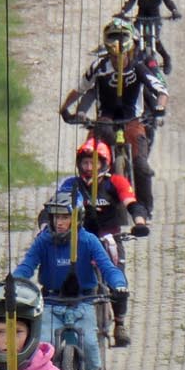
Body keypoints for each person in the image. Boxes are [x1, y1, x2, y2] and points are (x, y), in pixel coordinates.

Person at [15, 192, 127, 370]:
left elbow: (108, 268)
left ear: (77, 219)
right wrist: (14, 283)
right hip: (51, 302)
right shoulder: (44, 241)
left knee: (91, 345)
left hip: (83, 301)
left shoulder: (88, 240)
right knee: (43, 347)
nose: (59, 222)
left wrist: (119, 284)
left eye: (65, 217)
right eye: (55, 217)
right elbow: (27, 266)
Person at [59, 16, 168, 218]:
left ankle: (145, 209)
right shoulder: (98, 67)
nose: (118, 60)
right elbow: (80, 89)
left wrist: (160, 107)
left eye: (121, 56)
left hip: (133, 120)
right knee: (90, 157)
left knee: (141, 166)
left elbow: (161, 90)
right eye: (114, 57)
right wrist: (65, 108)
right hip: (104, 119)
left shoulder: (138, 67)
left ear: (129, 50)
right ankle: (89, 202)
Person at [57, 137, 146, 347]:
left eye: (93, 163)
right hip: (79, 239)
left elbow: (132, 203)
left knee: (117, 280)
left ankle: (120, 324)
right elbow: (54, 206)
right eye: (85, 162)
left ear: (104, 163)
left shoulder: (115, 182)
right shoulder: (71, 185)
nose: (89, 167)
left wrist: (140, 222)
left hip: (109, 238)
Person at [118, 0, 182, 74]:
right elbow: (130, 2)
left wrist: (174, 11)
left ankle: (166, 58)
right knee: (135, 39)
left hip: (155, 17)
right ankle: (132, 61)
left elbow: (168, 1)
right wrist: (123, 12)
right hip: (141, 16)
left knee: (155, 38)